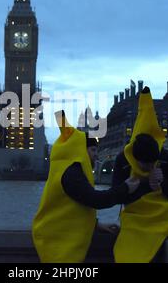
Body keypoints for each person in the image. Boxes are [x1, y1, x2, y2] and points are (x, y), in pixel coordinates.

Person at [32, 111, 140, 263]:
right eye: (93, 150)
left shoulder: (66, 168)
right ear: (79, 149)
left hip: (58, 237)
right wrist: (125, 188)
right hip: (58, 243)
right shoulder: (71, 173)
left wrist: (96, 225)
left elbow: (71, 208)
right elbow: (94, 199)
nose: (96, 155)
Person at [112, 86, 168, 263]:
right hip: (134, 217)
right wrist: (145, 184)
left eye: (152, 163)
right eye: (144, 164)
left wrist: (162, 184)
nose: (149, 166)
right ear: (134, 158)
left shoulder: (165, 156)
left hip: (163, 216)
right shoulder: (122, 160)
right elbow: (116, 194)